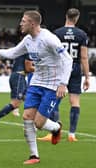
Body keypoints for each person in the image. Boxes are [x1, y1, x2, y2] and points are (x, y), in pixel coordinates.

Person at [0, 10, 73, 165]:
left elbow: (68, 59)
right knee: (27, 117)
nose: (20, 23)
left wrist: (63, 83)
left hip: (52, 85)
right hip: (36, 83)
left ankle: (56, 128)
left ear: (33, 23)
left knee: (39, 123)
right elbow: (13, 53)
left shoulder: (49, 39)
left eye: (23, 21)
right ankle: (34, 156)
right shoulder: (28, 40)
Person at [38, 8, 90, 142]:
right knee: (75, 101)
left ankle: (53, 131)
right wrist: (87, 77)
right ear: (77, 18)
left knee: (54, 99)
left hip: (61, 67)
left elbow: (51, 53)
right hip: (76, 67)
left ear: (66, 16)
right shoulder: (82, 34)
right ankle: (72, 134)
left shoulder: (57, 33)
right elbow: (84, 57)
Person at [0, 54, 35, 132]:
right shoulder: (28, 51)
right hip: (19, 77)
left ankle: (29, 124)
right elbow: (29, 68)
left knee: (28, 98)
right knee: (15, 103)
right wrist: (41, 69)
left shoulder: (23, 51)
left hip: (19, 77)